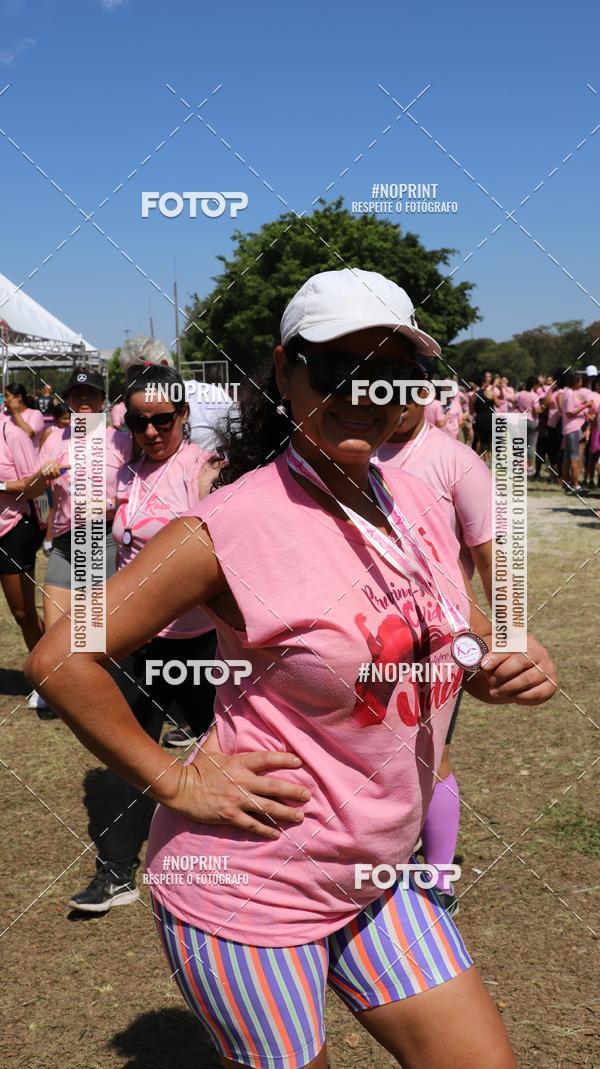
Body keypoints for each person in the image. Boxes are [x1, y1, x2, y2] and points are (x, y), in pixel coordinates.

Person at [27, 268, 556, 1069]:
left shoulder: (411, 499)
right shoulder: (229, 525)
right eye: (334, 368)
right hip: (251, 890)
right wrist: (175, 781)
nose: (362, 391)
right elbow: (60, 655)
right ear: (283, 370)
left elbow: (457, 631)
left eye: (387, 370)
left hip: (377, 875)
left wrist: (501, 659)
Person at [67, 364, 218, 913]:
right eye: (138, 421)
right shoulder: (124, 471)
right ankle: (115, 874)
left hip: (201, 643)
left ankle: (252, 857)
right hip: (136, 641)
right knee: (128, 755)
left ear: (183, 416)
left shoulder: (205, 470)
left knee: (226, 748)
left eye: (162, 420)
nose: (151, 431)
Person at [377, 369, 493, 915]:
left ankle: (439, 877)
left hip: (438, 640)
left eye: (401, 390)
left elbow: (494, 557)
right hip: (365, 636)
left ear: (424, 392)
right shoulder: (354, 451)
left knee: (430, 755)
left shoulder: (456, 462)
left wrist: (504, 638)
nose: (389, 403)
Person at [0, 412, 48, 655]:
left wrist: (1, 486)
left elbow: (35, 486)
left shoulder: (12, 435)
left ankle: (50, 676)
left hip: (12, 529)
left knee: (23, 613)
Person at [560, 371, 591, 491]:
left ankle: (566, 482)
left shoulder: (569, 393)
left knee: (567, 457)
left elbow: (573, 408)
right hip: (573, 428)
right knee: (575, 456)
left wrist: (582, 404)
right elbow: (570, 412)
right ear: (576, 382)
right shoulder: (571, 394)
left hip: (569, 428)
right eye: (580, 380)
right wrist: (585, 406)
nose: (582, 383)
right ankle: (575, 484)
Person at [4, 383, 46, 449]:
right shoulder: (2, 415)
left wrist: (16, 413)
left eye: (7, 396)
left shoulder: (35, 414)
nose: (4, 400)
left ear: (19, 397)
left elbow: (28, 434)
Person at [514, 376, 541, 474]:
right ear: (534, 385)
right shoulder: (534, 396)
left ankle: (520, 465)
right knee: (531, 445)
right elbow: (536, 411)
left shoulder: (520, 394)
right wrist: (542, 408)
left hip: (520, 420)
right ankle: (530, 466)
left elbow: (514, 402)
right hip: (531, 421)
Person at [471, 372, 495, 457]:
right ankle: (491, 456)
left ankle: (480, 457)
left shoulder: (474, 395)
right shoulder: (490, 393)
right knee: (491, 439)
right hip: (490, 418)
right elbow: (498, 404)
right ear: (484, 383)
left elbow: (471, 411)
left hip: (479, 418)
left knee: (480, 439)